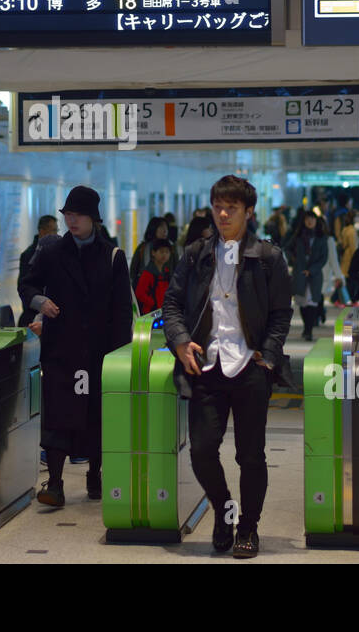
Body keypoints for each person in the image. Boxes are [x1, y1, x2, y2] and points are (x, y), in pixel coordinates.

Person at [162, 175, 294, 558]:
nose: (222, 214)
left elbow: (281, 314)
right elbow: (172, 305)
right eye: (218, 206)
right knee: (202, 450)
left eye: (231, 208)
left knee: (250, 455)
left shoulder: (268, 258)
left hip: (250, 368)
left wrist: (268, 356)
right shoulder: (195, 254)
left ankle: (248, 529)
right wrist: (181, 341)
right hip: (206, 365)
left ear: (249, 212)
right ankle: (224, 512)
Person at [19, 185, 132, 506]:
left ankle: (95, 474)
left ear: (93, 219)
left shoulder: (112, 256)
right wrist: (40, 302)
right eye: (68, 214)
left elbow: (122, 308)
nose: (71, 220)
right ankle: (54, 482)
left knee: (96, 416)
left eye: (77, 215)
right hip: (61, 350)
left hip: (99, 352)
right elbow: (26, 283)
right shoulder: (52, 251)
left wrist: (120, 355)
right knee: (57, 415)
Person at [283, 209, 327, 341]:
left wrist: (312, 270)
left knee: (312, 302)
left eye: (312, 219)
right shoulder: (298, 236)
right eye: (307, 219)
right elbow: (287, 248)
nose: (310, 221)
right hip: (300, 273)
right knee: (302, 302)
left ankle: (309, 330)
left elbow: (323, 258)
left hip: (314, 275)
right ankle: (306, 327)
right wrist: (295, 261)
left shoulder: (321, 238)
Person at [18, 215, 59, 326]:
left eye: (57, 230)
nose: (56, 233)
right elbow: (24, 287)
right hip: (35, 315)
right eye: (53, 230)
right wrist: (39, 303)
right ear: (42, 231)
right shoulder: (28, 255)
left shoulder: (58, 250)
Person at [134, 238, 173, 314]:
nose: (164, 254)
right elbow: (139, 293)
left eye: (167, 252)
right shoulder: (147, 273)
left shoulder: (167, 272)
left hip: (163, 310)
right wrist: (153, 303)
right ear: (153, 253)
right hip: (150, 312)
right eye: (161, 251)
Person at [130, 216, 170, 286]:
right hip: (145, 287)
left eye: (166, 228)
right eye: (161, 227)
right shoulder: (143, 248)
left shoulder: (171, 248)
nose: (165, 231)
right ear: (153, 229)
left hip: (165, 287)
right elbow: (133, 271)